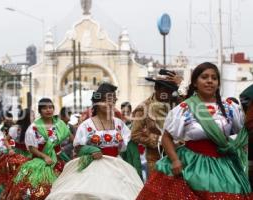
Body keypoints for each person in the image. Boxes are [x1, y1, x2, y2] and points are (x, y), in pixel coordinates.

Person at [137, 62, 251, 199]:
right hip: (191, 164)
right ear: (195, 83)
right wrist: (174, 160)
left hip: (223, 165)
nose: (210, 81)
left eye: (214, 78)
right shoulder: (184, 108)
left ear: (218, 83)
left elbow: (243, 133)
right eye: (204, 77)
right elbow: (167, 137)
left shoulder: (230, 107)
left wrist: (237, 151)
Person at [46, 83, 143, 200]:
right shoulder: (87, 125)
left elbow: (125, 146)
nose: (109, 104)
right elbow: (77, 148)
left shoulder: (119, 124)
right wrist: (90, 150)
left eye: (112, 100)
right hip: (94, 165)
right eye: (105, 100)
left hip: (117, 166)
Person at [0, 98, 70, 200]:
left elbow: (71, 137)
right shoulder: (33, 128)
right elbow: (32, 148)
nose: (48, 110)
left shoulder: (60, 124)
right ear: (40, 111)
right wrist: (45, 156)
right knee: (38, 189)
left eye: (50, 107)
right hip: (40, 160)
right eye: (45, 108)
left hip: (60, 158)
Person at [131, 69, 179, 175]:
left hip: (180, 158)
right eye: (165, 90)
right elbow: (135, 135)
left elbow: (196, 98)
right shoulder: (143, 108)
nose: (168, 94)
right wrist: (158, 140)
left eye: (171, 91)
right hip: (156, 160)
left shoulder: (178, 104)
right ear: (156, 88)